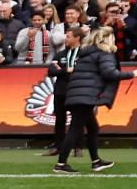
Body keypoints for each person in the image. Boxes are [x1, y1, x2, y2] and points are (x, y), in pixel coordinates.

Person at [54, 26, 129, 173]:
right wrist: (132, 74)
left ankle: (96, 161)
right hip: (86, 95)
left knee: (92, 128)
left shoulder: (86, 53)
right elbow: (110, 73)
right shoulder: (104, 54)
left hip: (77, 93)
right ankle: (61, 164)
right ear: (108, 38)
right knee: (75, 129)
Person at [44, 26, 80, 157]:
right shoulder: (60, 54)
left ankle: (78, 147)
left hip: (76, 90)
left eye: (69, 36)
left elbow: (79, 71)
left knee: (77, 120)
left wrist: (61, 70)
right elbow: (51, 71)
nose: (66, 38)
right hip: (60, 91)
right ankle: (58, 147)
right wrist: (65, 70)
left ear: (77, 38)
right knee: (59, 120)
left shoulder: (82, 54)